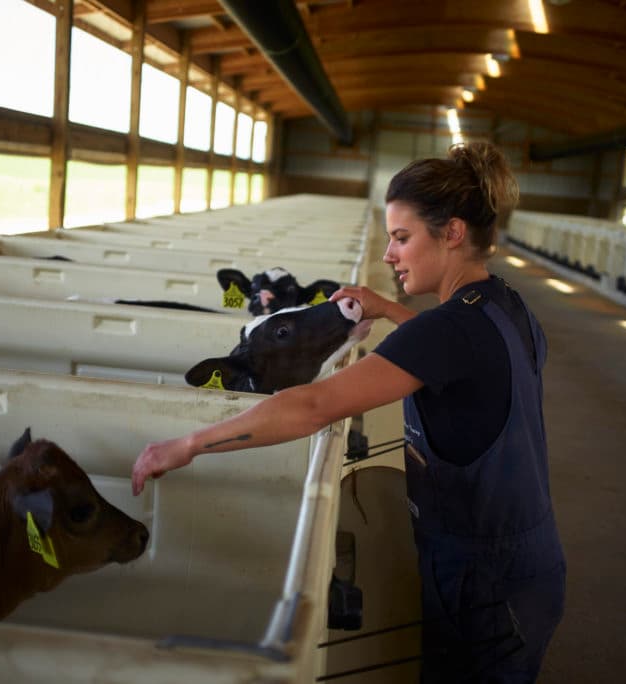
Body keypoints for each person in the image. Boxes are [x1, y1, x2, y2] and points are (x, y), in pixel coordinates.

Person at [132, 141, 566, 683]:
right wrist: (387, 310)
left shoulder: (446, 330)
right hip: (527, 561)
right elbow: (465, 360)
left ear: (452, 232)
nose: (389, 255)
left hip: (482, 577)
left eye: (402, 238)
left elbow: (313, 405)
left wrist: (189, 443)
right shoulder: (503, 304)